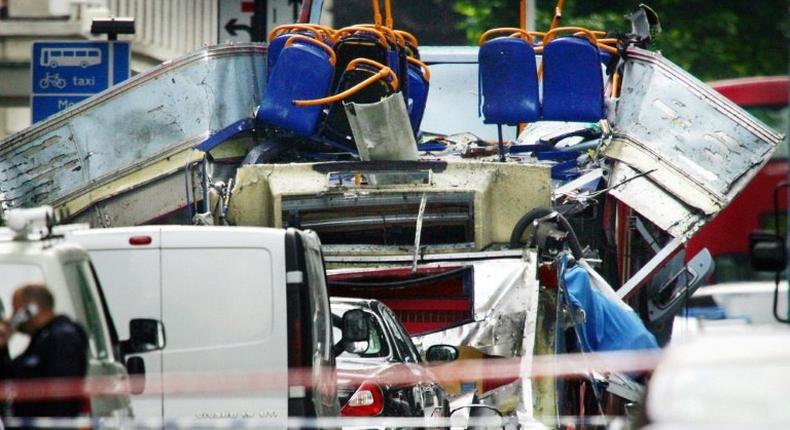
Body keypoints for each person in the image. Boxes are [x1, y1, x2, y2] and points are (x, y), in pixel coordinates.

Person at [0, 284, 88, 419]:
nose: (12, 318)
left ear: (31, 310)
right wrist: (2, 346)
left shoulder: (62, 337)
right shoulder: (40, 339)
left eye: (16, 311)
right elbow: (11, 375)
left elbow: (62, 397)